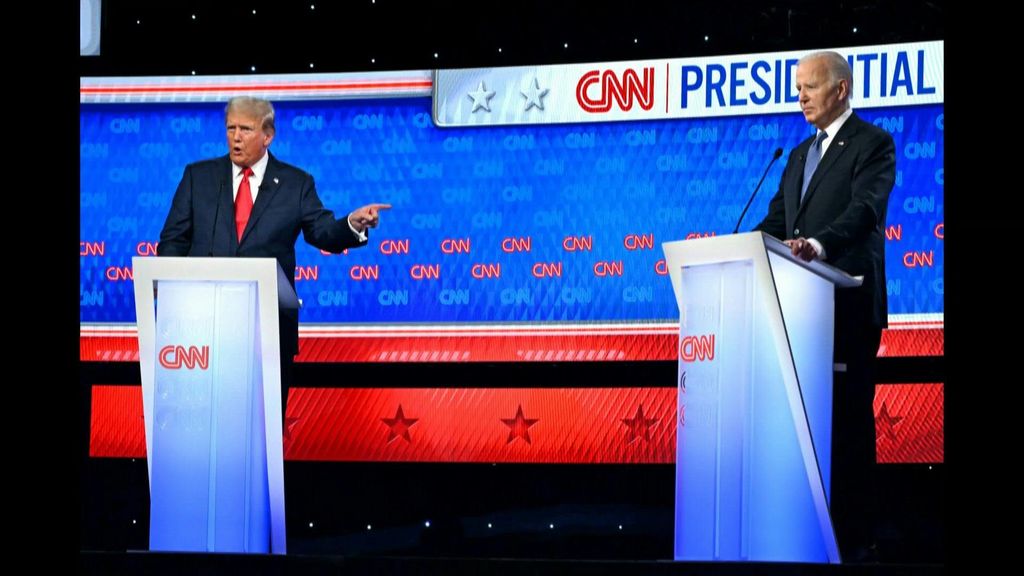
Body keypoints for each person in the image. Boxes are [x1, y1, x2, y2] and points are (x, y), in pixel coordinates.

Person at [158, 96, 390, 422]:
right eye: (231, 128)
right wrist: (173, 294)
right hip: (202, 329)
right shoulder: (199, 176)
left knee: (261, 427)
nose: (236, 137)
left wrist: (353, 222)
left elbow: (322, 232)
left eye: (246, 129)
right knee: (200, 423)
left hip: (267, 330)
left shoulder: (296, 183)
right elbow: (173, 241)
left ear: (268, 135)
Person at [753, 51, 895, 562]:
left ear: (840, 89)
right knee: (804, 422)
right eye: (797, 89)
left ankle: (855, 538)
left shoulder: (873, 144)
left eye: (809, 87)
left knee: (847, 420)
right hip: (799, 312)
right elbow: (777, 223)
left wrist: (818, 245)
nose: (800, 98)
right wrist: (738, 249)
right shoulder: (796, 156)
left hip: (848, 304)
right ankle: (806, 528)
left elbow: (865, 210)